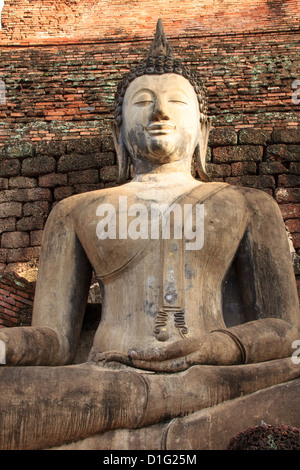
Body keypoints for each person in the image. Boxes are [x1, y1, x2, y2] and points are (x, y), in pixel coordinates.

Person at [0, 20, 299, 450]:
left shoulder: (249, 204)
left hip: (216, 379)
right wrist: (8, 345)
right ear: (118, 133)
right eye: (143, 102)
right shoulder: (74, 211)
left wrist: (225, 346)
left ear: (204, 129)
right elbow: (56, 341)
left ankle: (154, 430)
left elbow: (288, 332)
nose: (160, 112)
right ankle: (174, 430)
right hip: (106, 384)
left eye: (177, 102)